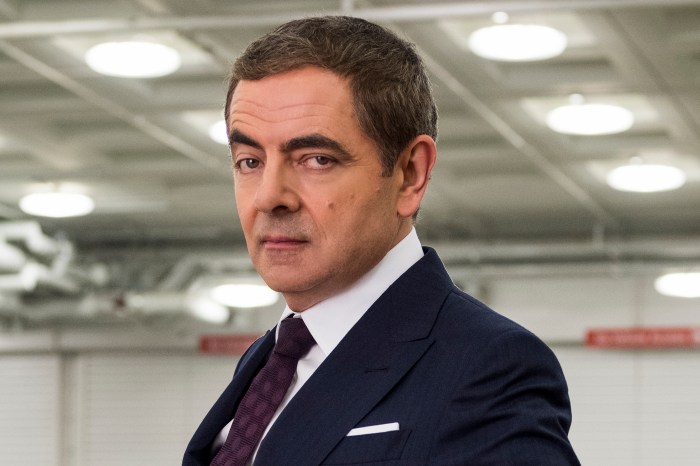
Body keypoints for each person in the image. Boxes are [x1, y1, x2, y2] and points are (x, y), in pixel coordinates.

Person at [184, 15, 580, 466]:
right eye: (250, 161)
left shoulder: (486, 366)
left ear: (410, 174)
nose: (269, 197)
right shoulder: (269, 360)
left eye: (316, 159)